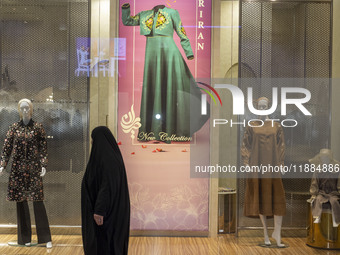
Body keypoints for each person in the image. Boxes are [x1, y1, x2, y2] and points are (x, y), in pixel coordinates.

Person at [0, 98, 52, 248]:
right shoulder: (13, 128)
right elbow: (7, 148)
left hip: (34, 169)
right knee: (21, 203)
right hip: (18, 170)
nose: (24, 111)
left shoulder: (38, 128)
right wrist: (2, 165)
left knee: (37, 201)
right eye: (22, 108)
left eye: (27, 108)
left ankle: (45, 238)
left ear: (31, 109)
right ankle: (24, 239)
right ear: (18, 110)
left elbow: (43, 147)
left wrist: (43, 164)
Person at [241, 97, 287, 248]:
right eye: (259, 106)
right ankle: (266, 234)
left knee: (277, 198)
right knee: (260, 197)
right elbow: (245, 145)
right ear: (256, 108)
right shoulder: (251, 125)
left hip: (273, 166)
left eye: (264, 106)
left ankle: (277, 232)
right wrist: (246, 162)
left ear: (269, 107)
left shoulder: (276, 125)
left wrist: (280, 164)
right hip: (257, 165)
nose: (262, 108)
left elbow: (281, 145)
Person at [81, 126, 130, 255]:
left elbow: (107, 187)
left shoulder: (108, 160)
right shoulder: (109, 157)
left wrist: (99, 210)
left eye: (93, 138)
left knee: (104, 245)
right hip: (108, 212)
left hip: (105, 215)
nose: (91, 142)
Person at [308, 149, 340, 227]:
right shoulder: (318, 170)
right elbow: (314, 183)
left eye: (326, 158)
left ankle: (336, 220)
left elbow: (339, 183)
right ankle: (317, 217)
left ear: (330, 158)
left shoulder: (337, 170)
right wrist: (314, 193)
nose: (324, 159)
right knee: (318, 199)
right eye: (322, 158)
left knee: (334, 201)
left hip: (333, 193)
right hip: (321, 193)